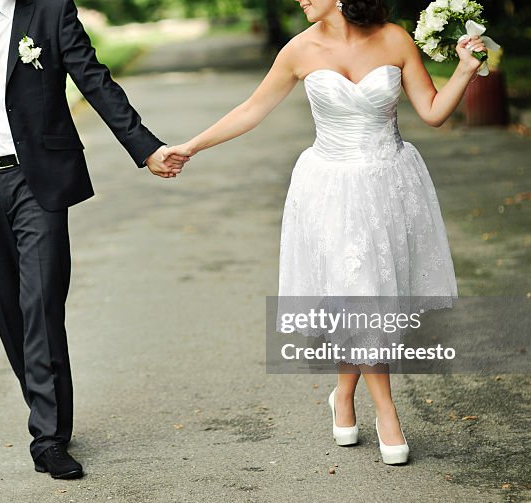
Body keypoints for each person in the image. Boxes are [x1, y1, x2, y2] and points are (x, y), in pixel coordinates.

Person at [163, 0, 485, 465]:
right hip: (327, 189)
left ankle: (342, 393)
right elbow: (252, 109)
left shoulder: (394, 38)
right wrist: (190, 147)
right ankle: (388, 412)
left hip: (387, 184)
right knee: (357, 293)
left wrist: (465, 69)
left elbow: (433, 112)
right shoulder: (299, 49)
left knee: (365, 293)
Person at [0, 0, 186, 479]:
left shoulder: (51, 10)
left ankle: (50, 437)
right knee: (7, 308)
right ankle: (48, 402)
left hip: (37, 179)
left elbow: (93, 78)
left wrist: (146, 147)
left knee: (40, 302)